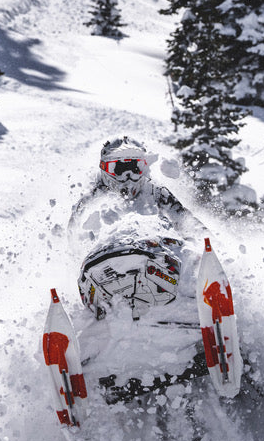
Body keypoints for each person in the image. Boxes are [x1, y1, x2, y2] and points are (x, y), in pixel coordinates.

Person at [69, 136, 207, 322]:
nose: (128, 177)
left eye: (134, 169)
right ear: (105, 169)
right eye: (119, 169)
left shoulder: (157, 193)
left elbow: (189, 224)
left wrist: (208, 248)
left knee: (189, 261)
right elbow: (74, 243)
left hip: (159, 268)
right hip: (105, 273)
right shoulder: (90, 203)